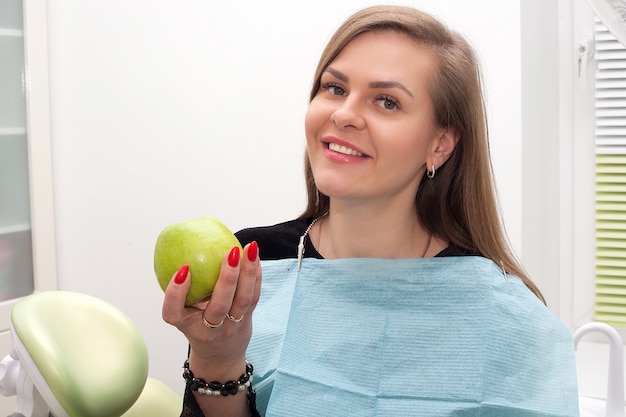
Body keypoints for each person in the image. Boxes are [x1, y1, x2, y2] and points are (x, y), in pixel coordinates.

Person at [161, 5, 580, 417]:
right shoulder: (252, 264)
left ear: (440, 144)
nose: (344, 115)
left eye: (386, 102)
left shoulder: (511, 322)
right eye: (335, 88)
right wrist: (217, 361)